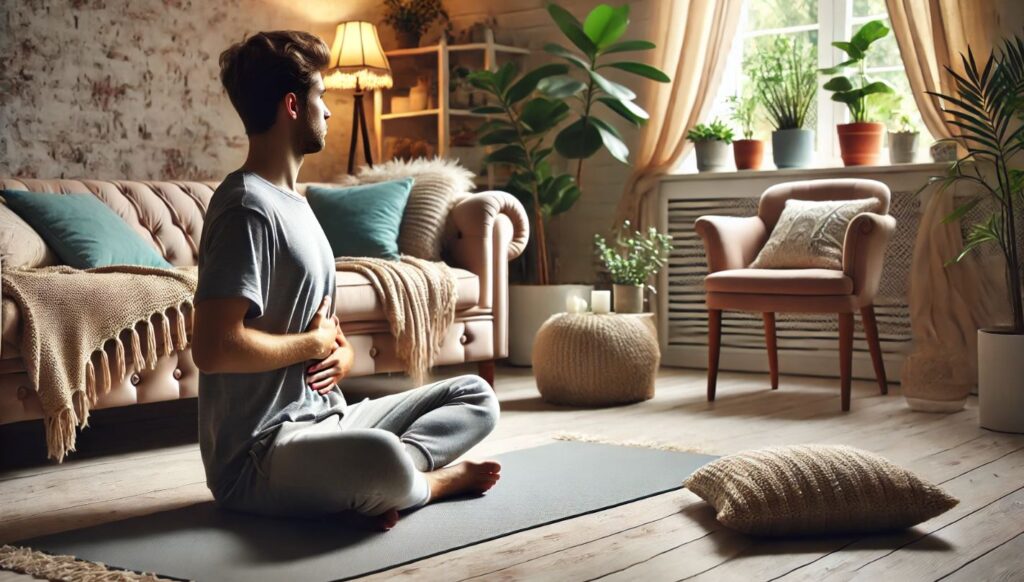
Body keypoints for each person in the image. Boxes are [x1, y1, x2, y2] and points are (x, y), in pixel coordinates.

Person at [191, 30, 501, 531]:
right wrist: (308, 343)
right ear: (293, 105)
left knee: (475, 396)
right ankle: (428, 483)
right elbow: (213, 348)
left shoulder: (300, 205)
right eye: (321, 97)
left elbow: (326, 334)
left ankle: (384, 484)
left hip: (331, 420)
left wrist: (342, 354)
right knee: (379, 455)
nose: (329, 112)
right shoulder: (245, 207)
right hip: (261, 454)